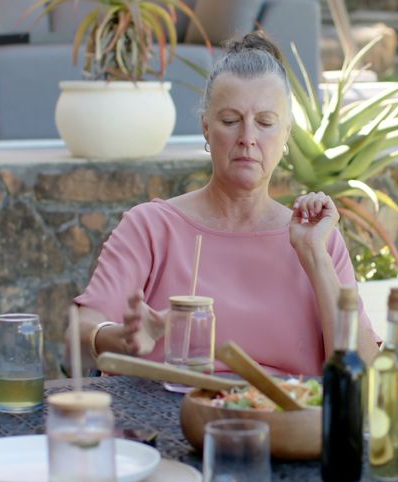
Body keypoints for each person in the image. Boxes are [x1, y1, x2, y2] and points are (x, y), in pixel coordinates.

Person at [72, 32, 378, 376]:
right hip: (166, 408)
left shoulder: (318, 240)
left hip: (285, 409)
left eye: (265, 122)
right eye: (231, 121)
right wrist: (121, 338)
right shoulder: (151, 228)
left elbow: (367, 374)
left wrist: (315, 258)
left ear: (286, 134)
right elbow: (80, 335)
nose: (248, 137)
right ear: (206, 127)